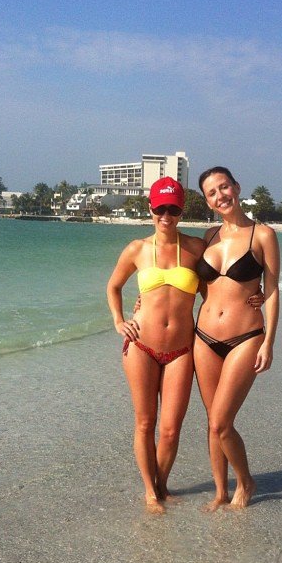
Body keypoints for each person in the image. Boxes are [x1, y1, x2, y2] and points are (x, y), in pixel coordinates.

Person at [106, 177, 263, 514]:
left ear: (181, 212)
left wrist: (255, 292)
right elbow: (113, 286)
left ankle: (163, 486)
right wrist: (119, 321)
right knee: (144, 423)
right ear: (150, 208)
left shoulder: (195, 248)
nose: (166, 215)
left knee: (170, 430)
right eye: (160, 208)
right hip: (141, 346)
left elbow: (219, 283)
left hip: (181, 350)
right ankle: (150, 493)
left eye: (173, 209)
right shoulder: (136, 249)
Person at [194, 166, 280, 511]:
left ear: (237, 187)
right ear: (208, 202)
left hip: (245, 338)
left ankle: (246, 482)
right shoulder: (209, 235)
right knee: (211, 421)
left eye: (224, 187)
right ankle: (220, 491)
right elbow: (191, 281)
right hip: (203, 338)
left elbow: (272, 290)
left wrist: (269, 342)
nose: (220, 196)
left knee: (221, 422)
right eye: (212, 193)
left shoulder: (263, 235)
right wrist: (144, 299)